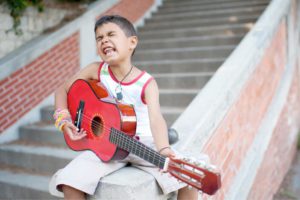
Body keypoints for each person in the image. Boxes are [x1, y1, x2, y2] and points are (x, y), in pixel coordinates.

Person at [49, 15, 200, 200]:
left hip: (144, 145)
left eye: (111, 34)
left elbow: (156, 118)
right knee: (69, 181)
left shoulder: (146, 83)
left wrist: (164, 149)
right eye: (99, 38)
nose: (104, 40)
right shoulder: (96, 70)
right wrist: (64, 122)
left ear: (132, 42)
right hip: (105, 148)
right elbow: (61, 91)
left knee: (189, 178)